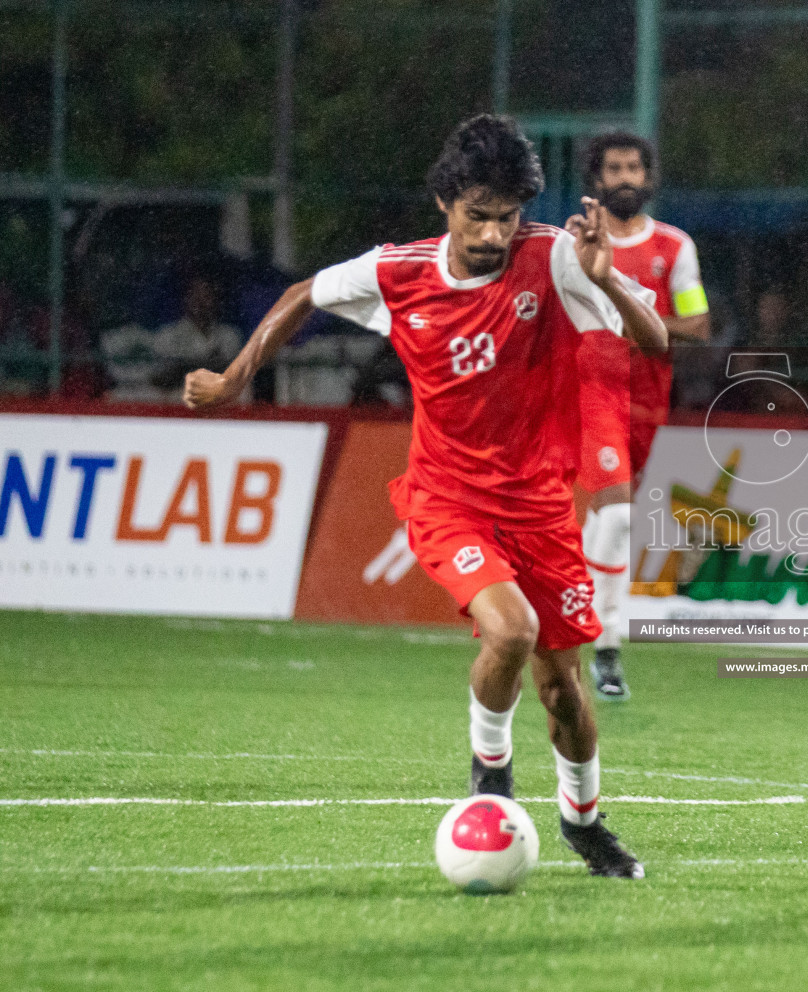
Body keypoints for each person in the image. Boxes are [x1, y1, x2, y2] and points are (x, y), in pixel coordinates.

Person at [183, 114, 667, 879]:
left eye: (506, 216)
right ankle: (491, 773)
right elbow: (305, 293)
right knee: (508, 630)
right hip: (447, 497)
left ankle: (585, 824)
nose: (492, 233)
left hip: (538, 504)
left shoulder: (556, 259)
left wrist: (606, 279)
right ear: (445, 203)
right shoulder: (396, 271)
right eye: (477, 214)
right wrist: (237, 377)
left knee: (564, 690)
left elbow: (656, 342)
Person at [577, 130, 711, 701]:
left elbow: (697, 324)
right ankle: (606, 648)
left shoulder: (675, 248)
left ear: (649, 179)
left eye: (634, 168)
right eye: (614, 168)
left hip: (647, 404)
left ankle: (579, 609)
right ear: (597, 179)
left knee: (606, 525)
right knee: (619, 520)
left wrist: (638, 324)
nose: (625, 178)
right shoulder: (573, 242)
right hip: (587, 395)